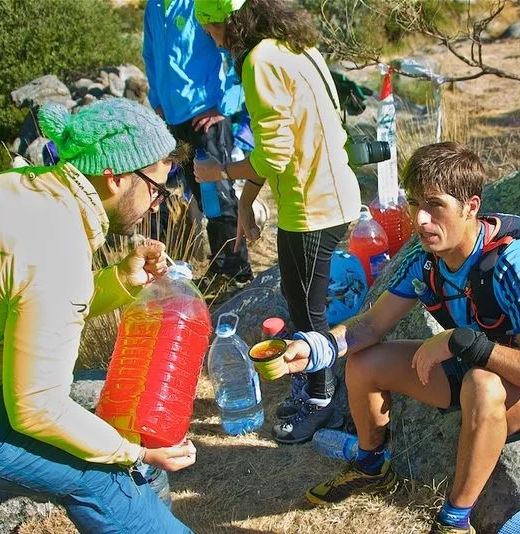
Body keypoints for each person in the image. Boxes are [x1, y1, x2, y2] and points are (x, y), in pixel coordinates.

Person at [0, 99, 198, 534]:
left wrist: (119, 279)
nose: (157, 204)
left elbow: (27, 297)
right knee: (99, 479)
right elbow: (37, 408)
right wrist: (131, 453)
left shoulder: (29, 187)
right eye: (156, 187)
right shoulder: (55, 237)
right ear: (115, 176)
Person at [275, 142, 520, 533]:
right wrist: (316, 347)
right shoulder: (426, 258)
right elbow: (370, 326)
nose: (420, 219)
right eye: (414, 202)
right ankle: (371, 466)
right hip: (472, 362)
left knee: (482, 385)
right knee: (365, 362)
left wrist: (459, 342)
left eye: (434, 205)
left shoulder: (516, 263)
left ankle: (454, 521)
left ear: (470, 207)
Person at [193, 0, 362, 444]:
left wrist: (220, 173)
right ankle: (316, 386)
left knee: (308, 310)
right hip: (332, 195)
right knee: (300, 297)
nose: (211, 39)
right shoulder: (295, 47)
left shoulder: (258, 61)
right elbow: (286, 142)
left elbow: (274, 154)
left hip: (312, 208)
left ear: (227, 21)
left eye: (209, 29)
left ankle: (321, 401)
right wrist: (246, 202)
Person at [143, 0, 253, 294]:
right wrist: (157, 101)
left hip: (207, 117)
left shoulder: (201, 4)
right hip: (173, 118)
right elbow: (150, 55)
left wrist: (225, 105)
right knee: (197, 193)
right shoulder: (154, 6)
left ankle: (235, 270)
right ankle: (218, 267)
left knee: (217, 195)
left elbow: (235, 48)